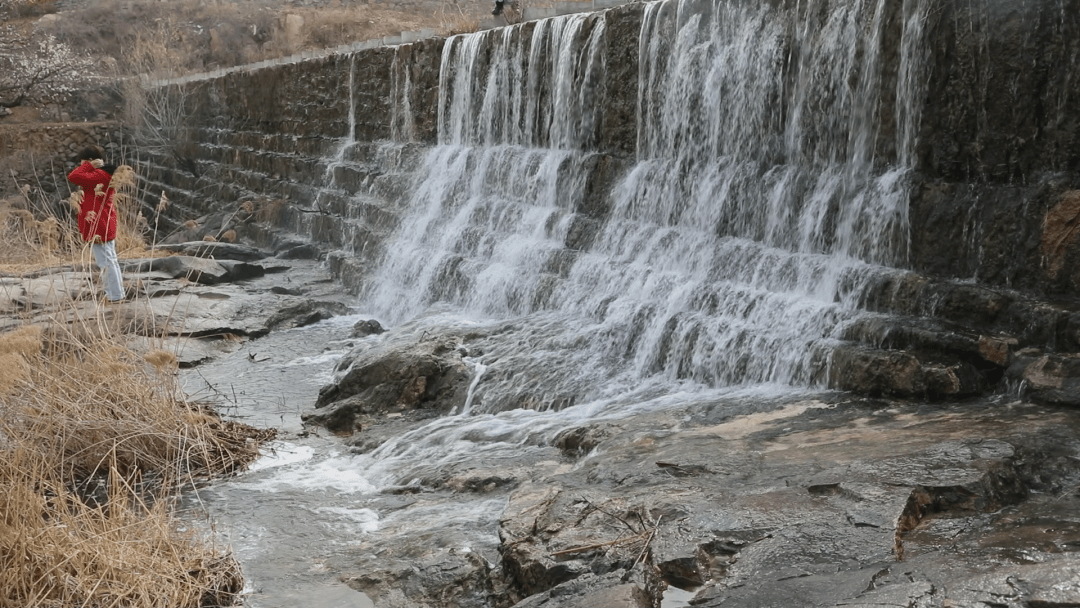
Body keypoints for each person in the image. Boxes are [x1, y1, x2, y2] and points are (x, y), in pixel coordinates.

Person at [67, 145, 125, 303]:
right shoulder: (102, 174)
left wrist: (88, 166)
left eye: (83, 162)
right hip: (103, 220)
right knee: (110, 259)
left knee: (106, 261)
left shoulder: (100, 175)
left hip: (99, 223)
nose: (81, 166)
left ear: (92, 161)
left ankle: (115, 296)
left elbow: (73, 176)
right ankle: (115, 293)